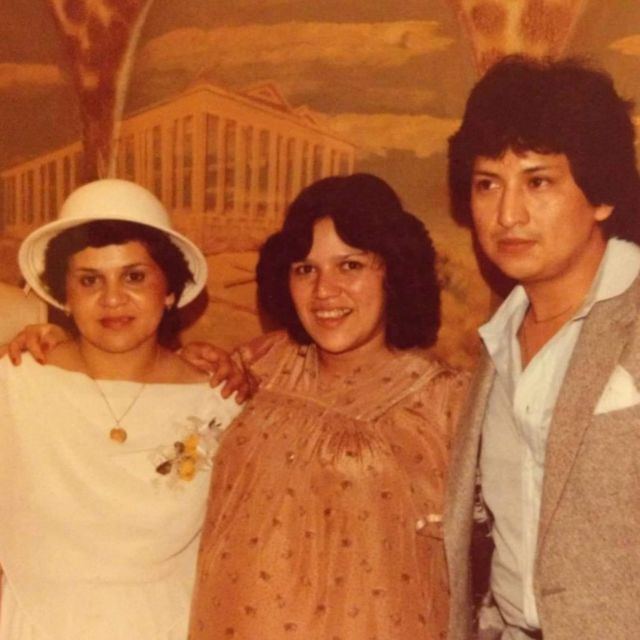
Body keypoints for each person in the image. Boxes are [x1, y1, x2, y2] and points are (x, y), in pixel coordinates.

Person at [185, 173, 468, 639]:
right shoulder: (263, 364)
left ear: (394, 272)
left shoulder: (446, 400)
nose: (324, 291)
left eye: (350, 266)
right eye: (305, 269)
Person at [445, 55, 640, 640]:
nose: (508, 215)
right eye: (488, 184)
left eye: (538, 182)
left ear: (601, 195)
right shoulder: (495, 343)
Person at [0, 179, 241, 640]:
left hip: (169, 627)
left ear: (169, 290)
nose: (112, 299)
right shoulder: (16, 384)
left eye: (134, 277)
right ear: (64, 295)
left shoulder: (219, 402)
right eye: (90, 280)